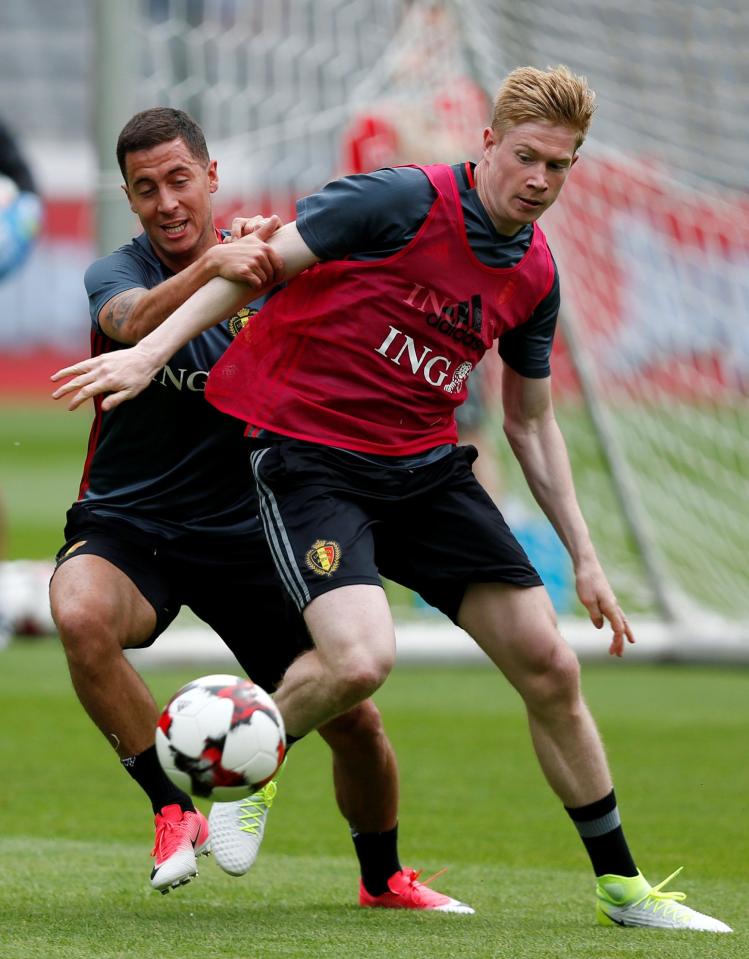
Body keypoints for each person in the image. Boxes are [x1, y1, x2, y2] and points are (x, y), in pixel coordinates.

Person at [51, 68, 731, 933]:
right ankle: (231, 771)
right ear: (487, 144)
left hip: (423, 470)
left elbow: (529, 419)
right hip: (309, 460)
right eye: (526, 157)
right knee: (360, 659)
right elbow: (257, 270)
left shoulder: (535, 272)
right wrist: (149, 354)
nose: (538, 180)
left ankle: (620, 887)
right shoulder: (395, 199)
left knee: (549, 664)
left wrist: (586, 554)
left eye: (558, 167)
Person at [48, 107, 471, 912]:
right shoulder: (114, 271)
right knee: (78, 614)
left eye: (179, 180)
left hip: (251, 532)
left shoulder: (274, 263)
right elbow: (132, 322)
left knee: (357, 719)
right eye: (146, 189)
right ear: (130, 199)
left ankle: (383, 877)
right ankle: (175, 811)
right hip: (129, 525)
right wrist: (216, 267)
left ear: (210, 178)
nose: (166, 202)